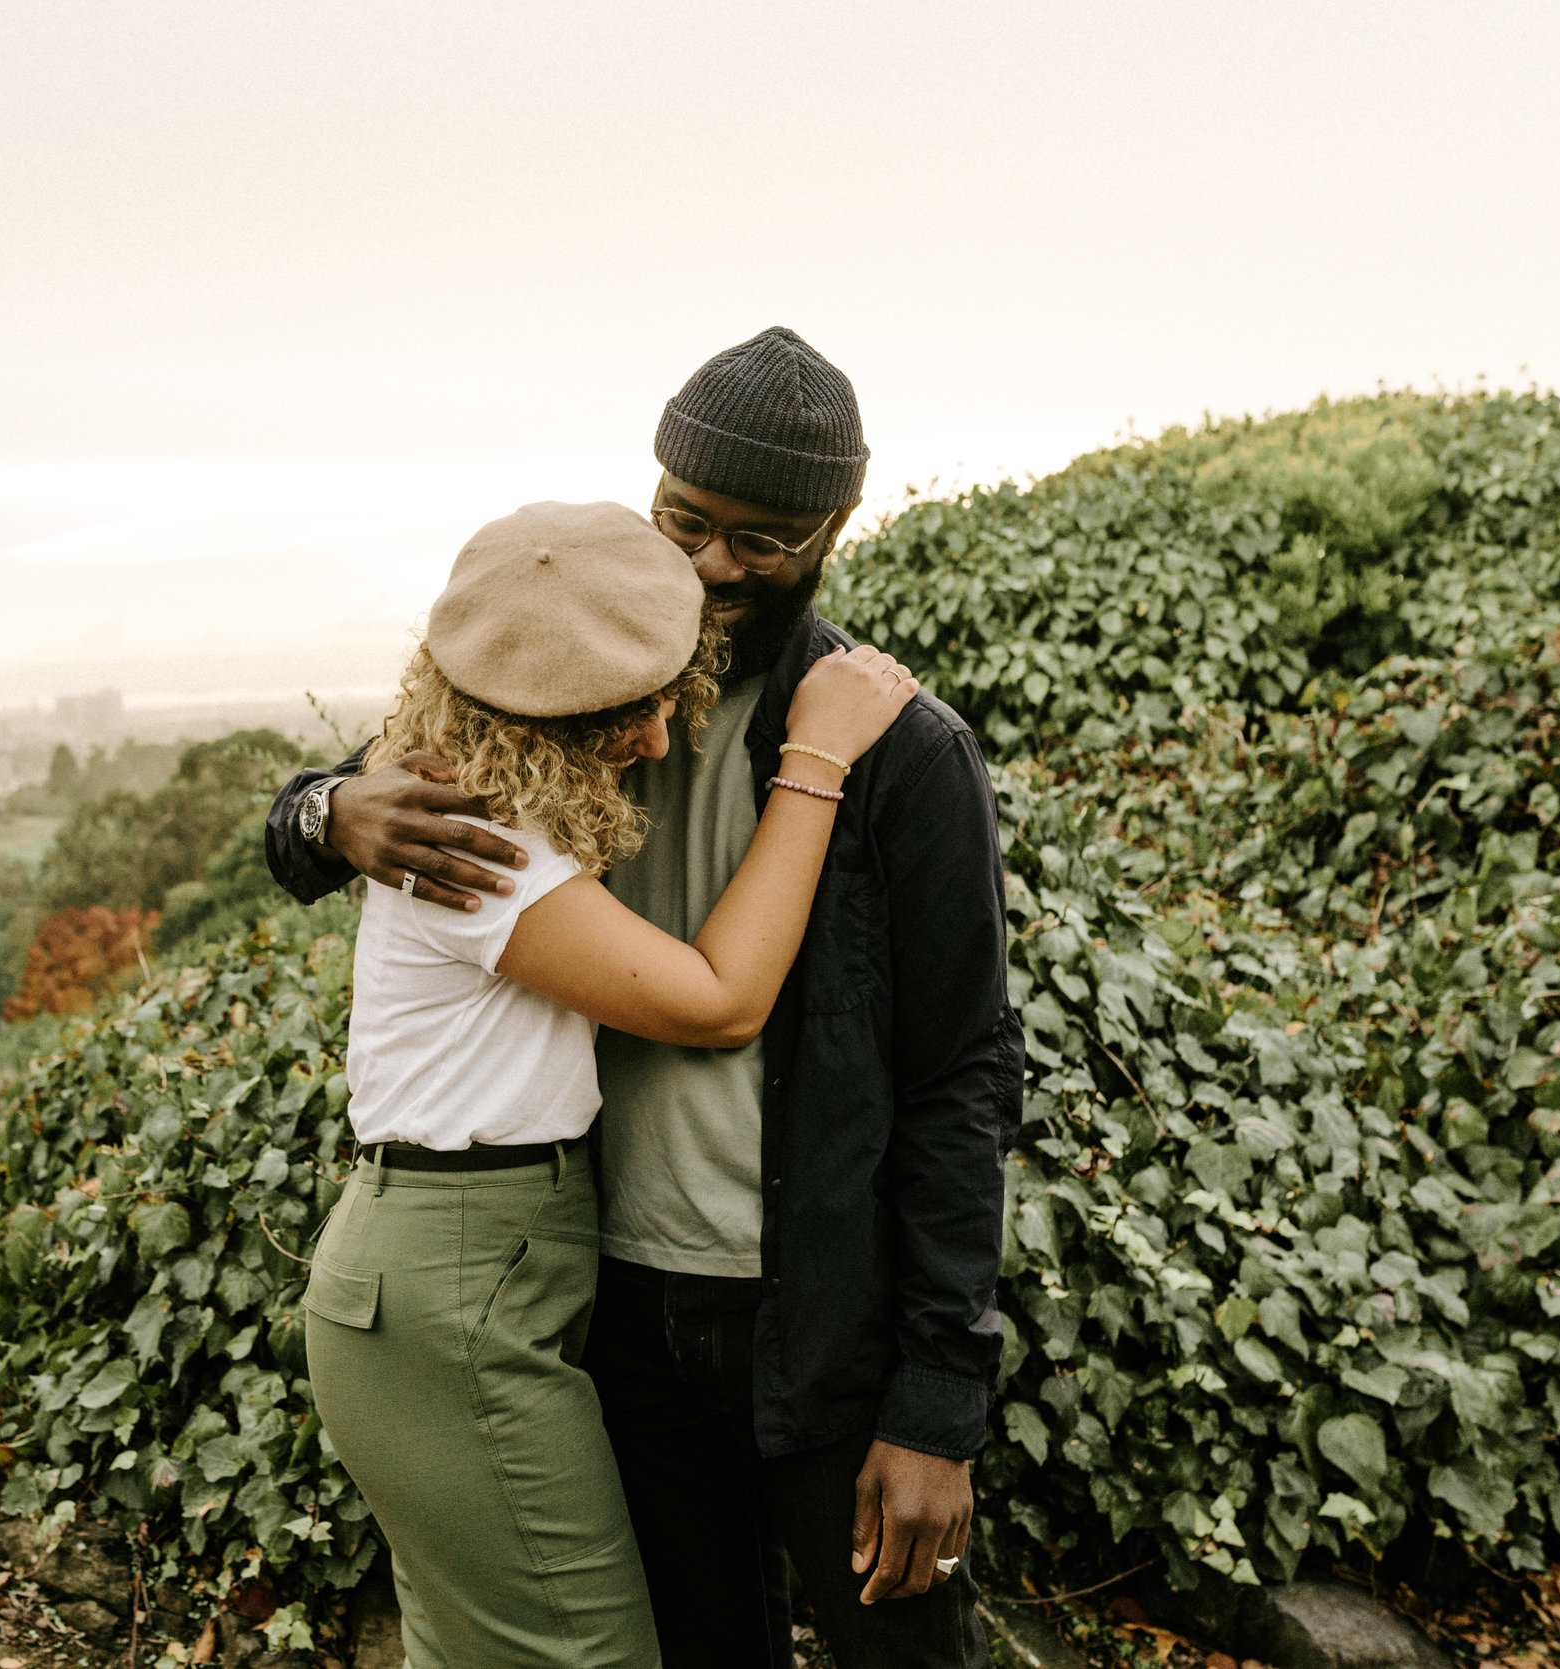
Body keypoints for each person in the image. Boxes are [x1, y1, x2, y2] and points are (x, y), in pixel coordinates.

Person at [270, 329, 1019, 1669]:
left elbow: (964, 1074)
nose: (717, 565)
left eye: (767, 539)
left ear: (837, 529)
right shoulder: (558, 690)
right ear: (653, 488)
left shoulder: (901, 748)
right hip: (612, 1317)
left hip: (825, 1330)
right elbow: (359, 801)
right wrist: (326, 809)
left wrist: (939, 1401)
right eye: (688, 521)